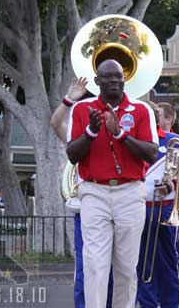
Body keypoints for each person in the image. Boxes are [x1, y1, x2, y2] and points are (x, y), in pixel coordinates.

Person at [66, 59, 159, 308]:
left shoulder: (141, 110)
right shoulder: (82, 109)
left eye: (119, 77)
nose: (115, 82)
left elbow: (151, 152)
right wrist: (91, 131)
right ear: (97, 81)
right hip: (94, 191)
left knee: (127, 266)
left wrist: (120, 134)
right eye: (108, 78)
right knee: (95, 263)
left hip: (130, 191)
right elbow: (72, 154)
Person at [49, 77, 115, 308]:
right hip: (88, 208)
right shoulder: (79, 135)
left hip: (119, 205)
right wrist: (68, 100)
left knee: (119, 271)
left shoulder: (125, 121)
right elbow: (56, 124)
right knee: (87, 269)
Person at [136, 102, 179, 308]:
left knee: (168, 260)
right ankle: (147, 304)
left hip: (164, 206)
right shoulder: (134, 141)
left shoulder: (173, 140)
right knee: (140, 261)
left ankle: (171, 304)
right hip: (136, 206)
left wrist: (172, 184)